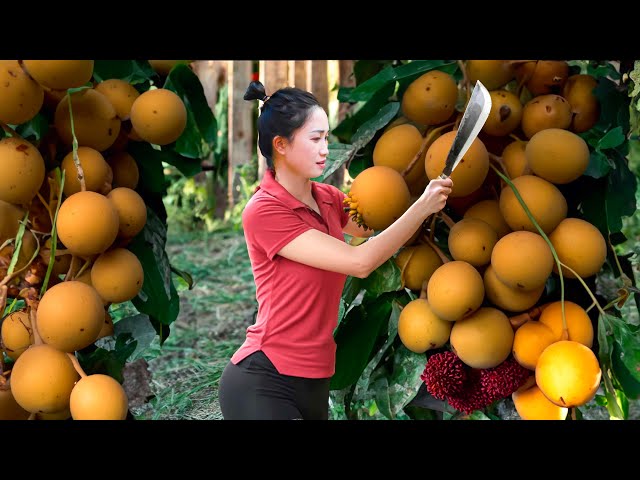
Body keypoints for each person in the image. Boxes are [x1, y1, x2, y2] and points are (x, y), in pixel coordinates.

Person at [218, 80, 453, 420]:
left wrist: (418, 183)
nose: (325, 149)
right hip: (263, 377)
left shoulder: (328, 198)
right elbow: (360, 261)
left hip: (315, 379)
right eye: (315, 139)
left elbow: (382, 223)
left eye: (326, 137)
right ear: (281, 145)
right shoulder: (264, 211)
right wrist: (422, 207)